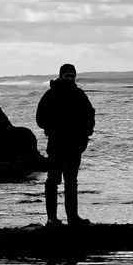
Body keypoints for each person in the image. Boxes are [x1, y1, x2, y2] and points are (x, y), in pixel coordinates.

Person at [37, 63, 95, 226]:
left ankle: (73, 217)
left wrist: (87, 133)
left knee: (71, 182)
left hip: (75, 146)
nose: (69, 78)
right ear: (61, 76)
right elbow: (40, 119)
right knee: (53, 181)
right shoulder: (50, 95)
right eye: (66, 76)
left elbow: (90, 115)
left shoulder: (79, 94)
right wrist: (53, 129)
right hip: (56, 144)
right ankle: (51, 218)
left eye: (72, 76)